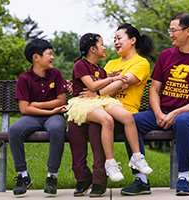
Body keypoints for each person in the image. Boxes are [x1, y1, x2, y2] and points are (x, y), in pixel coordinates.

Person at [133, 12, 189, 196]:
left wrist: (176, 112)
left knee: (182, 121)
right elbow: (154, 90)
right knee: (130, 121)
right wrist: (158, 113)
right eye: (170, 30)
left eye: (174, 30)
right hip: (162, 110)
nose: (170, 34)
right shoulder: (165, 56)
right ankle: (140, 179)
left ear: (188, 31)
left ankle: (183, 177)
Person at [70, 23, 155, 197]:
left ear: (132, 40)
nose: (115, 42)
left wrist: (96, 92)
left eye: (119, 38)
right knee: (85, 125)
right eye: (113, 39)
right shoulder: (110, 63)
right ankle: (90, 177)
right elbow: (103, 80)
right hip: (101, 107)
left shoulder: (141, 62)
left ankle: (107, 179)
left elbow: (119, 84)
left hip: (123, 109)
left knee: (99, 125)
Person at [8, 38, 68, 196]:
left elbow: (61, 100)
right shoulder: (24, 79)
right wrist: (50, 110)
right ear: (36, 58)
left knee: (57, 128)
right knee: (14, 130)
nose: (52, 57)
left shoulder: (55, 74)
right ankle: (23, 175)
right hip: (35, 117)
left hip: (54, 117)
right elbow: (24, 109)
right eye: (49, 54)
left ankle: (52, 176)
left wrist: (37, 105)